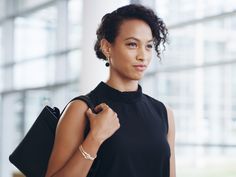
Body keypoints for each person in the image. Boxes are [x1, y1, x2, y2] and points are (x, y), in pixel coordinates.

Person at [45, 4, 176, 177]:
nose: (143, 56)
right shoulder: (81, 109)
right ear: (107, 47)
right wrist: (95, 137)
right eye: (132, 44)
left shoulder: (163, 113)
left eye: (149, 46)